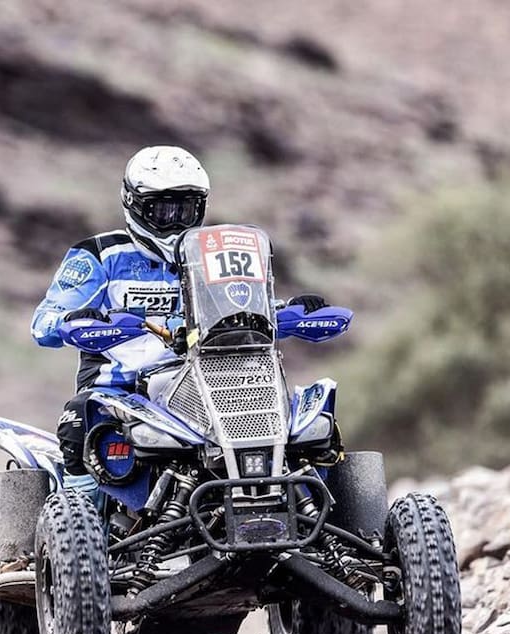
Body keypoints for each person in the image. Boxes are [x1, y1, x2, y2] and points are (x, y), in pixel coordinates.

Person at [30, 145, 326, 495]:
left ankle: (338, 522)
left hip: (208, 382)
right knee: (80, 421)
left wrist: (289, 309)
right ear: (135, 205)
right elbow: (43, 323)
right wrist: (77, 320)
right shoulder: (98, 255)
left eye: (186, 210)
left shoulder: (213, 255)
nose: (175, 221)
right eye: (164, 210)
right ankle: (78, 524)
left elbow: (241, 302)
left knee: (313, 425)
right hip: (123, 390)